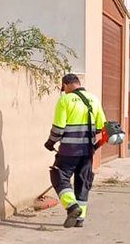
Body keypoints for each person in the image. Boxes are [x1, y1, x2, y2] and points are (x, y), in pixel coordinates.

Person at [45, 73, 106, 228]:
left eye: (62, 88)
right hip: (87, 151)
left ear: (65, 85)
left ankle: (72, 206)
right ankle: (80, 219)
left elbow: (58, 128)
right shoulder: (94, 99)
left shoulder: (64, 100)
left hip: (68, 150)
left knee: (59, 176)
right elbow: (100, 126)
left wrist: (50, 142)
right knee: (83, 182)